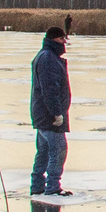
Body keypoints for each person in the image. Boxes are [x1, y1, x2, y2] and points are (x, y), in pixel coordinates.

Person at [30, 28, 72, 198]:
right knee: (58, 150)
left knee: (44, 151)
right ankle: (53, 187)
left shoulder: (47, 56)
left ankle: (38, 186)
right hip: (49, 116)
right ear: (56, 39)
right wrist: (57, 113)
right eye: (63, 39)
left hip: (42, 114)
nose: (64, 43)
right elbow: (50, 89)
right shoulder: (48, 58)